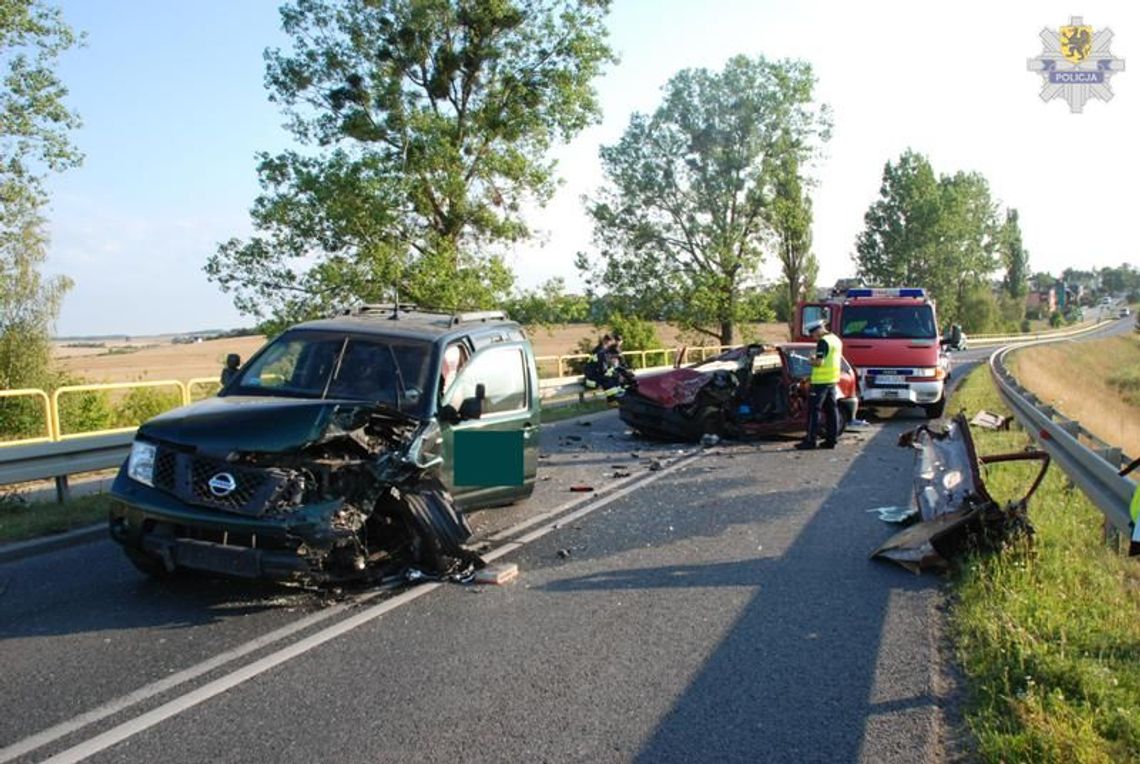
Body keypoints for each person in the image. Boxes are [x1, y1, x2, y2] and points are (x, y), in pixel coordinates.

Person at [796, 318, 842, 450]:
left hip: (820, 382)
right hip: (832, 380)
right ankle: (831, 440)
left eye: (813, 334)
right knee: (831, 411)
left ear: (818, 330)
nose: (813, 337)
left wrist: (810, 360)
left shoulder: (823, 342)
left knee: (813, 411)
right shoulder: (835, 339)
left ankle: (810, 441)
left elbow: (819, 363)